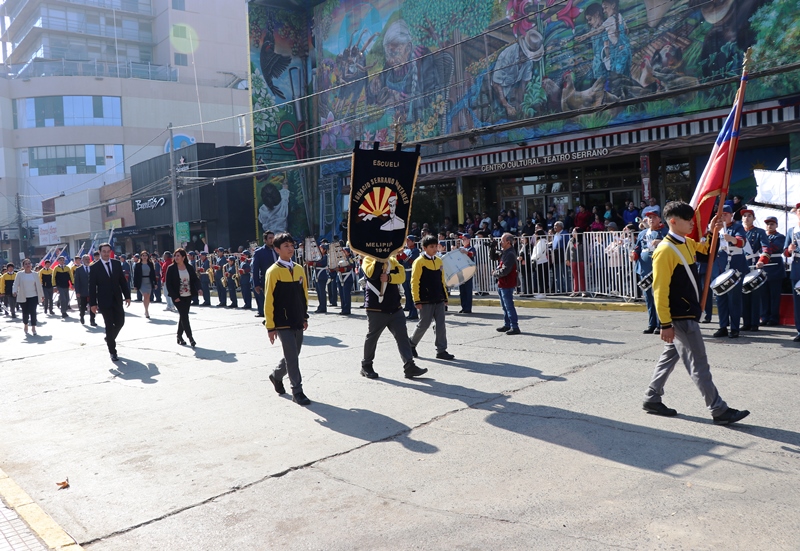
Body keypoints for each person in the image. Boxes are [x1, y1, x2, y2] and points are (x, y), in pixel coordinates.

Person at [642, 201, 750, 425]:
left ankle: (651, 398)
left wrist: (713, 231)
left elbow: (707, 253)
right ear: (673, 221)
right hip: (681, 317)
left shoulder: (687, 243)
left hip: (686, 314)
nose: (692, 222)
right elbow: (659, 291)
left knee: (668, 358)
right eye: (688, 219)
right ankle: (719, 410)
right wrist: (665, 324)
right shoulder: (664, 250)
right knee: (699, 364)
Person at [359, 252, 428, 380]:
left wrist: (389, 278)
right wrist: (380, 259)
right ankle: (366, 365)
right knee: (372, 337)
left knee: (402, 337)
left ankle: (409, 365)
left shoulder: (392, 261)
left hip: (394, 307)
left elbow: (401, 276)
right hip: (376, 308)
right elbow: (372, 274)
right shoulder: (368, 259)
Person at [264, 232, 311, 406]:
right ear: (277, 249)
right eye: (286, 246)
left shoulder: (298, 269)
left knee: (294, 354)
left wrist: (304, 316)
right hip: (282, 321)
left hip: (298, 319)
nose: (290, 249)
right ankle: (297, 391)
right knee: (292, 358)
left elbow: (303, 294)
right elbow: (269, 300)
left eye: (292, 245)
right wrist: (270, 326)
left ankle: (276, 375)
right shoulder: (273, 272)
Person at [409, 235, 454, 360]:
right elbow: (414, 281)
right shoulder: (419, 262)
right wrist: (416, 299)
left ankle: (441, 350)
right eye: (431, 247)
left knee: (440, 324)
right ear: (424, 248)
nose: (435, 249)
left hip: (438, 298)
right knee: (424, 323)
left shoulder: (439, 261)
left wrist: (445, 296)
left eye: (436, 246)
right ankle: (411, 344)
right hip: (425, 299)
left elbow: (441, 280)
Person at [89, 243, 131, 361]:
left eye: (108, 251)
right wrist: (92, 303)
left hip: (117, 299)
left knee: (120, 322)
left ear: (110, 252)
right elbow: (92, 287)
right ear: (100, 252)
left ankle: (109, 337)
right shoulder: (94, 267)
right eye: (104, 251)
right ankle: (113, 351)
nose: (106, 253)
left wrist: (127, 296)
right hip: (104, 301)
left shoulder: (117, 264)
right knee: (108, 325)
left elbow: (122, 281)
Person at [712, 204, 747, 339]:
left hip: (735, 264)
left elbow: (742, 242)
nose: (723, 217)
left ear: (731, 215)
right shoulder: (717, 228)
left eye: (726, 214)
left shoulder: (737, 227)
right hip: (720, 264)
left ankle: (734, 328)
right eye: (721, 215)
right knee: (721, 297)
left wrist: (731, 239)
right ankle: (722, 326)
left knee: (734, 298)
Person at [632, 211, 668, 333]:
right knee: (648, 297)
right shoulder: (643, 233)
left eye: (653, 217)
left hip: (658, 269)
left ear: (659, 219)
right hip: (644, 269)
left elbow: (672, 245)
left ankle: (660, 323)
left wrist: (661, 242)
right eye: (649, 218)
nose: (651, 220)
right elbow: (637, 248)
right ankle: (651, 323)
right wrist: (633, 255)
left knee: (659, 296)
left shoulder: (665, 232)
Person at [740, 209, 770, 332]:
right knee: (744, 295)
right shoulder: (739, 231)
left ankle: (754, 323)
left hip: (754, 265)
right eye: (745, 216)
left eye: (749, 216)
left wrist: (762, 260)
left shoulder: (760, 232)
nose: (747, 218)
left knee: (755, 295)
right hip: (741, 265)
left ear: (754, 218)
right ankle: (746, 322)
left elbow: (766, 248)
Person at [166, 248, 200, 347]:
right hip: (177, 296)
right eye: (175, 256)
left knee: (183, 316)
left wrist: (199, 289)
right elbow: (169, 284)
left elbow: (195, 279)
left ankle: (179, 336)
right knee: (185, 316)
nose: (176, 257)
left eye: (178, 256)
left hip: (187, 295)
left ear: (183, 257)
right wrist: (174, 296)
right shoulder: (171, 268)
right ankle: (191, 338)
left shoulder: (188, 267)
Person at [760, 216, 785, 326]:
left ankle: (774, 318)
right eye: (768, 224)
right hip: (763, 267)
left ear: (776, 225)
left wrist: (762, 241)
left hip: (775, 268)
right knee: (764, 295)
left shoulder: (780, 236)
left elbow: (773, 248)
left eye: (772, 224)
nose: (769, 226)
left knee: (774, 296)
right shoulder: (762, 236)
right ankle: (764, 317)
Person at [494, 233, 521, 335]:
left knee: (509, 306)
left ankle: (514, 326)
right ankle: (507, 324)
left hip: (507, 283)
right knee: (504, 306)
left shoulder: (510, 254)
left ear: (508, 242)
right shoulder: (505, 252)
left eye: (502, 241)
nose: (500, 242)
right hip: (502, 283)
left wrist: (495, 273)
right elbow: (493, 256)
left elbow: (505, 270)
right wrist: (492, 248)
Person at [12, 259, 43, 335]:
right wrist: (14, 291)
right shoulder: (19, 274)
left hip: (33, 296)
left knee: (33, 312)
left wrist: (42, 295)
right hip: (23, 296)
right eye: (26, 264)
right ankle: (26, 324)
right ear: (23, 266)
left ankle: (33, 327)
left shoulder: (35, 274)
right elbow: (15, 284)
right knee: (25, 312)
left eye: (29, 263)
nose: (28, 265)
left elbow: (39, 286)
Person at [783, 203, 800, 342]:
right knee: (798, 301)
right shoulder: (792, 231)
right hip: (797, 266)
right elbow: (785, 253)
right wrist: (789, 249)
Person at [252, 231, 278, 318]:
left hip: (280, 278)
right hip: (267, 279)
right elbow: (255, 269)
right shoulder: (259, 252)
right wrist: (256, 284)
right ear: (265, 240)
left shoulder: (278, 250)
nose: (272, 240)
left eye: (273, 238)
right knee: (269, 300)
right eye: (270, 238)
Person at [399, 236, 421, 320]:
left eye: (408, 241)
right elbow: (401, 262)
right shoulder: (406, 250)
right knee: (407, 293)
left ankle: (414, 313)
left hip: (411, 272)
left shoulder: (416, 251)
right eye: (406, 241)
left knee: (412, 294)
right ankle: (409, 309)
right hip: (405, 273)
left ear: (413, 242)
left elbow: (411, 261)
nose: (407, 242)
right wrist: (399, 254)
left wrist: (402, 254)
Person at [73, 254, 96, 326]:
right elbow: (77, 282)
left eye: (88, 259)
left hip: (92, 291)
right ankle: (82, 316)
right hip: (83, 291)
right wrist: (78, 292)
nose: (87, 261)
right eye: (86, 259)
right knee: (83, 306)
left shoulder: (93, 268)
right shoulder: (79, 270)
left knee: (93, 306)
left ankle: (92, 320)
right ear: (82, 260)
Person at [133, 251, 157, 319]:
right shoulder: (138, 265)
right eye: (143, 255)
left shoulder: (150, 264)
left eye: (146, 255)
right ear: (141, 257)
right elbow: (135, 276)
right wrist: (135, 285)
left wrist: (155, 283)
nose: (144, 257)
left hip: (149, 281)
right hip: (141, 282)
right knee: (145, 295)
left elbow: (153, 274)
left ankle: (146, 308)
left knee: (148, 297)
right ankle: (146, 311)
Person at [551, 221, 571, 293]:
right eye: (554, 226)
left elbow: (568, 246)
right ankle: (560, 289)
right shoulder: (556, 235)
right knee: (557, 274)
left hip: (563, 256)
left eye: (556, 226)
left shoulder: (565, 234)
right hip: (556, 257)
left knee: (564, 273)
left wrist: (567, 257)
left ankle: (567, 289)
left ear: (560, 226)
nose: (554, 227)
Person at [458, 234, 476, 313]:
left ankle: (468, 307)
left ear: (468, 240)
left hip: (468, 270)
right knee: (462, 290)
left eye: (464, 239)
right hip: (461, 271)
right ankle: (463, 306)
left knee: (468, 290)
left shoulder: (471, 248)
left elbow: (472, 254)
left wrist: (465, 252)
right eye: (462, 239)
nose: (463, 241)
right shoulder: (461, 249)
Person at [336, 247, 356, 316]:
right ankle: (343, 308)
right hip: (340, 277)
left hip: (347, 278)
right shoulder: (340, 259)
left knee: (346, 294)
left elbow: (350, 267)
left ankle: (347, 309)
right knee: (341, 294)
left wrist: (340, 269)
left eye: (344, 251)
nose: (342, 253)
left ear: (348, 253)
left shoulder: (350, 259)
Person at [568, 228, 587, 297]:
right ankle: (575, 290)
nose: (573, 233)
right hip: (573, 260)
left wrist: (587, 259)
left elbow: (586, 250)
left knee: (581, 275)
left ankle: (583, 291)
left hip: (581, 260)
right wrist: (567, 259)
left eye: (574, 232)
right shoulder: (571, 240)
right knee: (575, 276)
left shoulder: (583, 240)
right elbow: (568, 250)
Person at [314, 243, 329, 313]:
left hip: (322, 275)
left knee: (322, 292)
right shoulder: (319, 256)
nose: (319, 250)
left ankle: (323, 307)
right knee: (319, 292)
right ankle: (320, 305)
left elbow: (320, 263)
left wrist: (313, 263)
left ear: (325, 250)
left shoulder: (325, 256)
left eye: (321, 248)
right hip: (317, 275)